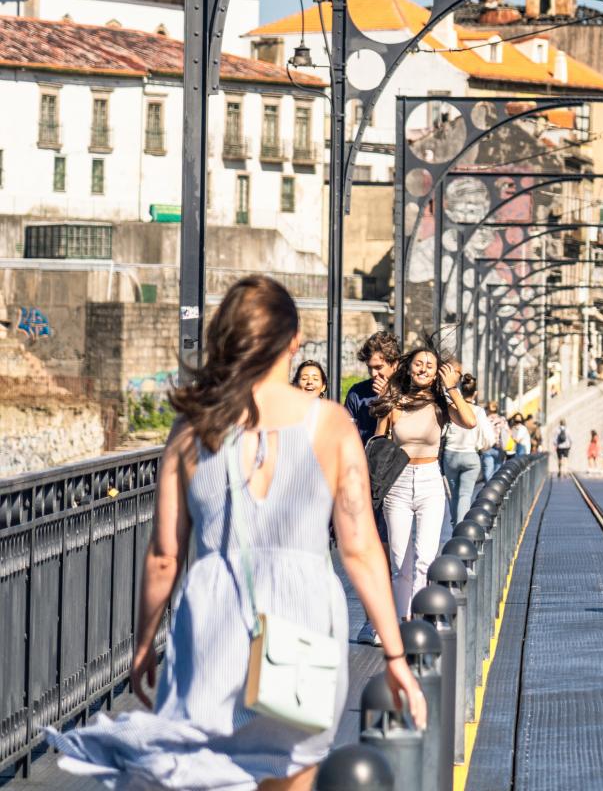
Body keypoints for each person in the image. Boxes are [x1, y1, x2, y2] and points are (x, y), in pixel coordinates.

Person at [46, 276, 424, 789]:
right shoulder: (331, 425)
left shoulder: (193, 427)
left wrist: (142, 644)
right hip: (304, 625)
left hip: (213, 621)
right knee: (292, 771)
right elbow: (360, 548)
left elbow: (164, 556)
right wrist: (396, 656)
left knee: (205, 769)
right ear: (292, 343)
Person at [371, 346, 479, 621]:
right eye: (418, 363)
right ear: (408, 368)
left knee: (425, 559)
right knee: (399, 564)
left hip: (430, 481)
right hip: (398, 483)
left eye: (430, 366)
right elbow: (378, 446)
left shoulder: (440, 404)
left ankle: (419, 617)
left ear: (436, 374)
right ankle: (401, 620)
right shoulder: (393, 402)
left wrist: (452, 388)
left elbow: (470, 421)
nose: (423, 369)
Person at [438, 373, 487, 527]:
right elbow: (489, 438)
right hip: (471, 456)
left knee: (453, 495)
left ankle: (455, 525)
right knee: (465, 494)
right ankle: (461, 528)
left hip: (450, 455)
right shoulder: (478, 412)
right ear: (476, 393)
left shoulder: (451, 408)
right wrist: (480, 446)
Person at [344, 331, 399, 443]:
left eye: (379, 367)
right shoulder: (357, 393)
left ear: (395, 364)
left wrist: (389, 396)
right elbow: (346, 436)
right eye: (370, 368)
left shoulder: (408, 391)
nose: (373, 373)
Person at [480, 404, 507, 481]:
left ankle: (489, 490)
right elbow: (508, 432)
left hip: (487, 447)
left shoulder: (484, 419)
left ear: (488, 409)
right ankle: (497, 490)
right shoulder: (502, 419)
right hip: (499, 447)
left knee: (488, 473)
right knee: (498, 472)